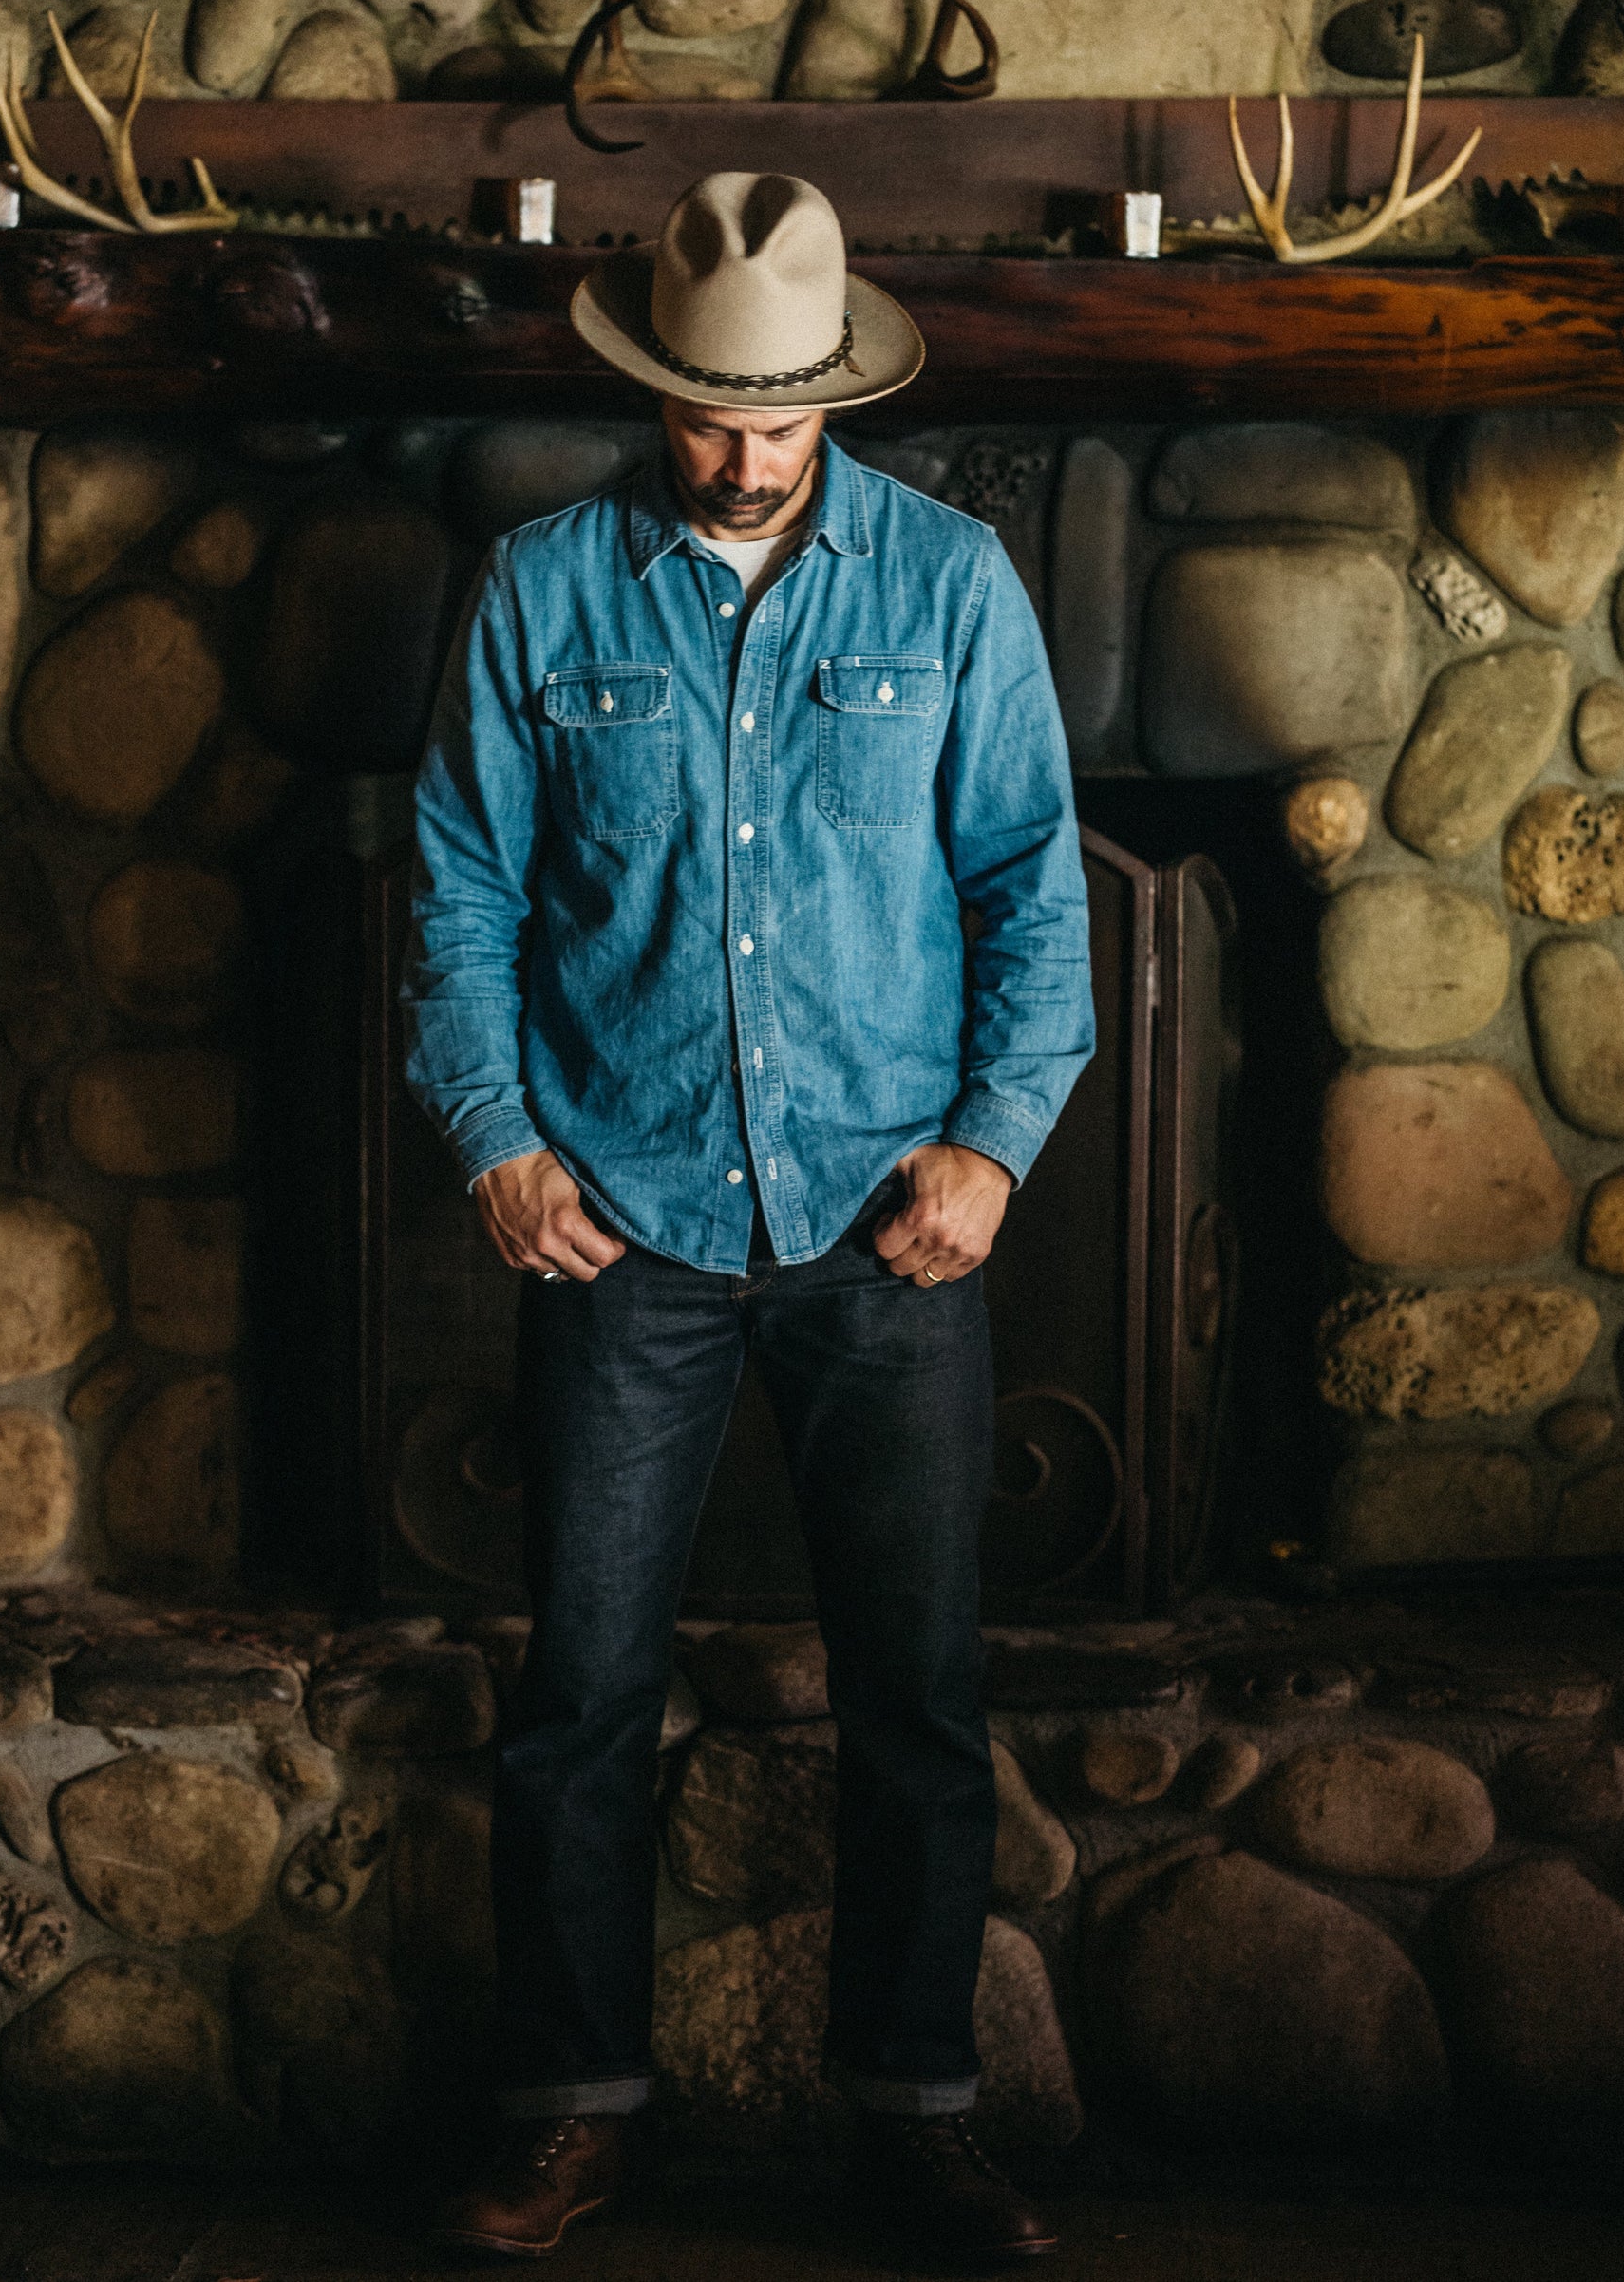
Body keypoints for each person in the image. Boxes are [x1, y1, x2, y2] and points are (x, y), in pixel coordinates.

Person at [404, 171, 1095, 2265]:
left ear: (831, 395)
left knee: (914, 1693)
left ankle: (916, 2114)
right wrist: (494, 1136)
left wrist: (993, 1142)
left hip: (890, 1224)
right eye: (710, 416)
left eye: (777, 416)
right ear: (653, 394)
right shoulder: (539, 590)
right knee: (580, 1694)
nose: (742, 452)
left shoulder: (954, 585)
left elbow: (1031, 893)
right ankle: (572, 2110)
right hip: (621, 1221)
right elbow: (456, 890)